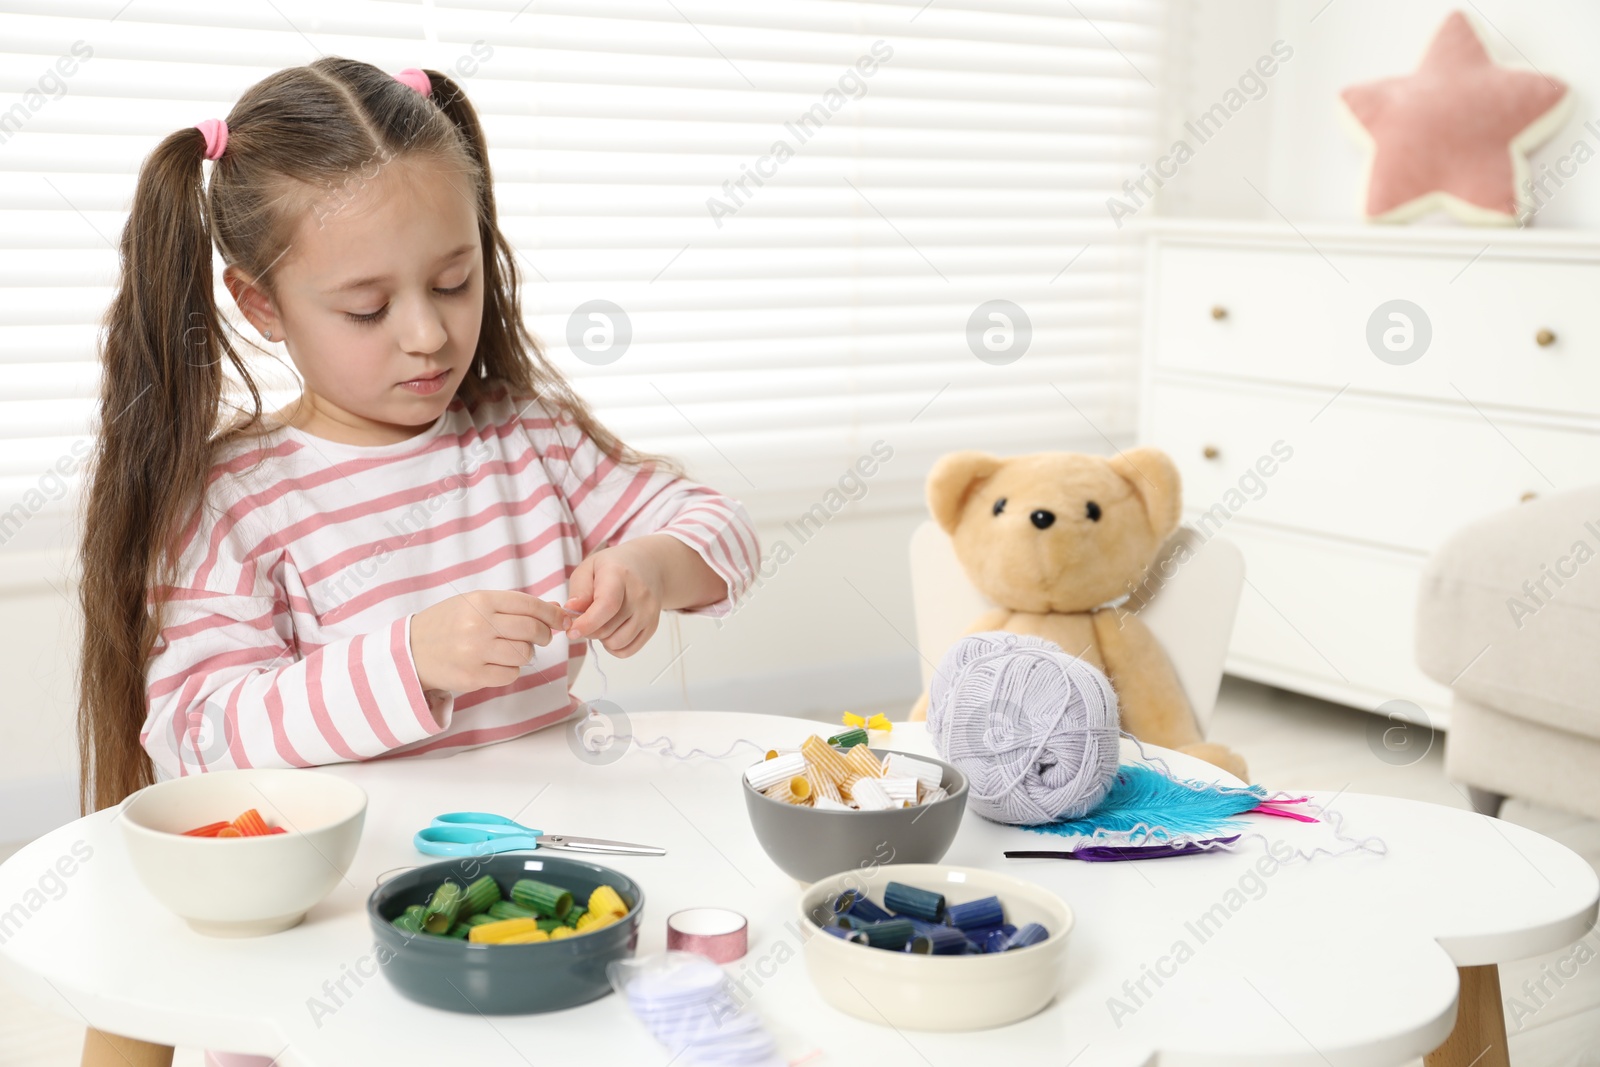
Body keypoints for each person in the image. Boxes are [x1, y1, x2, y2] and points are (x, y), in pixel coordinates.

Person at [75, 58, 759, 1067]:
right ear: (262, 305)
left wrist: (652, 566)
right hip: (329, 940)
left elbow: (718, 526)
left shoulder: (529, 440)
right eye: (366, 307)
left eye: (453, 280)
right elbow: (200, 732)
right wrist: (407, 660)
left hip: (539, 917)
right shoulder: (234, 498)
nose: (430, 333)